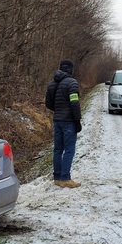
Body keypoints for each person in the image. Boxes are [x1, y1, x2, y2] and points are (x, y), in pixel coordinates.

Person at [45, 59, 82, 188]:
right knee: (69, 150)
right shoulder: (72, 83)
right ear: (70, 70)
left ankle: (57, 177)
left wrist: (59, 110)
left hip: (57, 121)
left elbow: (48, 104)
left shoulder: (51, 84)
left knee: (58, 149)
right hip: (69, 122)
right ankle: (65, 178)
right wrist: (77, 120)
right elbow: (74, 102)